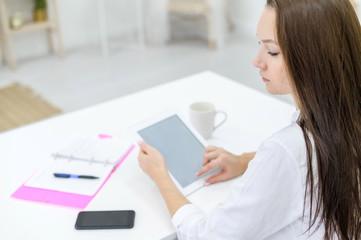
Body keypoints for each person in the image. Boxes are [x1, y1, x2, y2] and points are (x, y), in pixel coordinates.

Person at [137, 0, 361, 239]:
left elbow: (207, 236)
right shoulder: (343, 119)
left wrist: (161, 176)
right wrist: (245, 161)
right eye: (259, 44)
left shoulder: (287, 149)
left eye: (272, 51)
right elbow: (311, 160)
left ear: (313, 58)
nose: (257, 61)